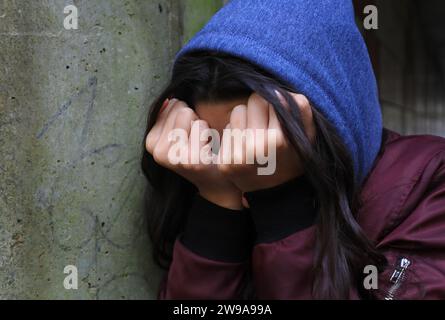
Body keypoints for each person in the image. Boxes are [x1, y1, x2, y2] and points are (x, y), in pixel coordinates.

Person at [140, 0, 445, 299]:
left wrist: (281, 202)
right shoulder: (220, 188)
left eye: (267, 145)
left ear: (329, 126)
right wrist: (216, 206)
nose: (238, 163)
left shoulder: (431, 182)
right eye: (218, 147)